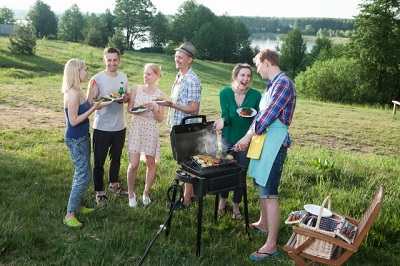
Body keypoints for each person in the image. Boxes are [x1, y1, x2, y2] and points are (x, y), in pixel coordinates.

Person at [234, 49, 296, 261]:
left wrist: (247, 137)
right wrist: (248, 137)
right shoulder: (271, 86)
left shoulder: (284, 84)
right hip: (264, 140)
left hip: (275, 144)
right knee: (261, 184)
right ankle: (263, 223)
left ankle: (271, 245)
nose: (257, 70)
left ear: (267, 62)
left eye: (258, 65)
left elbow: (268, 117)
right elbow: (260, 116)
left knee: (270, 194)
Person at [213, 63, 261, 220]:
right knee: (225, 171)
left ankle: (236, 206)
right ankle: (222, 202)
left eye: (248, 76)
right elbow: (226, 115)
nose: (246, 79)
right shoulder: (224, 93)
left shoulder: (255, 95)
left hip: (246, 142)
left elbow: (257, 119)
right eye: (242, 75)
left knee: (240, 172)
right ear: (235, 76)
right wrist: (221, 120)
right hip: (227, 139)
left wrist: (250, 136)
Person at [159, 42, 202, 207]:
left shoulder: (192, 79)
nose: (176, 59)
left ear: (189, 59)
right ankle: (188, 197)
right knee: (184, 163)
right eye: (176, 56)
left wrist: (171, 105)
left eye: (180, 57)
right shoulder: (179, 76)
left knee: (188, 164)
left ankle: (187, 200)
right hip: (177, 126)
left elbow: (194, 108)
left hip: (187, 129)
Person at [62, 59, 103, 228]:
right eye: (85, 70)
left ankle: (78, 205)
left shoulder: (78, 90)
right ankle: (69, 213)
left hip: (83, 137)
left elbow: (86, 106)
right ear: (76, 72)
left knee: (82, 172)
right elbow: (73, 120)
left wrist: (91, 94)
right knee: (83, 175)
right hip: (76, 139)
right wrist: (94, 109)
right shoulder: (71, 93)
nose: (87, 72)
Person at [87, 47, 130, 206]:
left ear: (119, 60)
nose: (112, 63)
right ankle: (99, 192)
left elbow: (126, 96)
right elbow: (89, 103)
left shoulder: (123, 77)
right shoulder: (97, 78)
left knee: (116, 158)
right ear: (104, 60)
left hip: (120, 126)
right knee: (99, 161)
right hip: (102, 127)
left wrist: (124, 98)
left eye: (115, 60)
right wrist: (102, 101)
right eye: (109, 60)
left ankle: (114, 185)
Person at [126, 63, 166, 207]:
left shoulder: (160, 95)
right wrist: (137, 110)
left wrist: (155, 108)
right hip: (136, 126)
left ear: (157, 76)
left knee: (150, 163)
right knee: (133, 164)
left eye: (149, 74)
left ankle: (146, 192)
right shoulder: (136, 88)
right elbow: (130, 109)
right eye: (144, 73)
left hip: (150, 128)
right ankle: (131, 193)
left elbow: (160, 119)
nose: (145, 76)